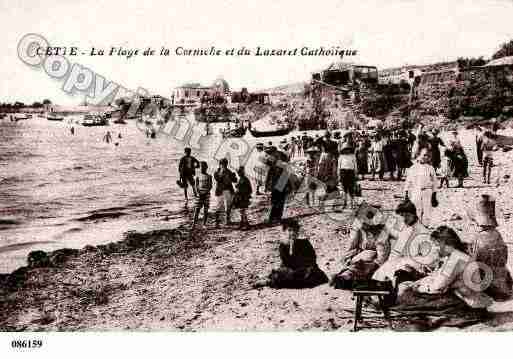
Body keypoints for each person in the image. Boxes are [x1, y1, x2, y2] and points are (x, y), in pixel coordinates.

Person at [372, 199, 439, 288]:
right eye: (402, 215)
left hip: (414, 268)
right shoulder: (405, 230)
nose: (404, 219)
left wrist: (414, 264)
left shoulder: (423, 233)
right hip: (399, 263)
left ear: (414, 214)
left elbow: (428, 258)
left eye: (407, 215)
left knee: (397, 274)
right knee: (381, 273)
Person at [254, 218, 328, 289]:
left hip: (305, 271)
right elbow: (287, 263)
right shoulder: (283, 246)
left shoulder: (305, 243)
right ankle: (268, 281)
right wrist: (291, 248)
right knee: (285, 275)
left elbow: (312, 259)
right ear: (284, 232)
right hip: (291, 271)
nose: (292, 233)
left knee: (314, 276)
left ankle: (271, 281)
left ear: (297, 232)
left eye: (295, 231)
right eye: (289, 230)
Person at [468, 194, 513, 301]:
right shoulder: (498, 235)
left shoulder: (478, 238)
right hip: (503, 284)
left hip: (488, 286)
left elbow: (474, 262)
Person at [330, 211, 386, 289]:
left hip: (372, 258)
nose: (362, 224)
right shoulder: (360, 230)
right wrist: (348, 257)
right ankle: (345, 275)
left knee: (366, 256)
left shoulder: (381, 234)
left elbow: (382, 255)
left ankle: (348, 276)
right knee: (350, 260)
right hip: (360, 255)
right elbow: (352, 246)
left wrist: (374, 264)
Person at [404, 147, 438, 228]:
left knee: (427, 210)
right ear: (418, 155)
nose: (426, 157)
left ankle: (425, 226)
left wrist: (434, 195)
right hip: (416, 191)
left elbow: (435, 182)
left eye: (427, 155)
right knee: (416, 209)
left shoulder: (430, 168)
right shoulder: (413, 168)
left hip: (427, 191)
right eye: (424, 155)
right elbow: (408, 181)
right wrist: (406, 193)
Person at [213, 158, 237, 226]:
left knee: (228, 206)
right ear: (220, 164)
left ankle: (227, 220)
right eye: (223, 164)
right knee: (219, 206)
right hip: (220, 191)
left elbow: (234, 180)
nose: (224, 166)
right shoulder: (217, 172)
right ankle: (217, 222)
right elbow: (217, 179)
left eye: (225, 164)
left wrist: (233, 176)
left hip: (227, 190)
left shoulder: (229, 171)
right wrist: (222, 172)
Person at [192, 161, 212, 228]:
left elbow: (210, 186)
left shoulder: (209, 176)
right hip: (199, 195)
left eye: (203, 167)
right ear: (199, 168)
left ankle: (204, 224)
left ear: (206, 167)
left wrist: (205, 193)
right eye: (201, 167)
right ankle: (194, 224)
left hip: (206, 195)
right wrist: (198, 193)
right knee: (197, 209)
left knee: (205, 210)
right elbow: (196, 186)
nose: (202, 168)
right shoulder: (197, 176)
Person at [338, 142, 358, 209]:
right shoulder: (341, 156)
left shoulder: (353, 156)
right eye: (346, 149)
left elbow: (355, 165)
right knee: (344, 189)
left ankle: (352, 204)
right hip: (343, 172)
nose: (347, 150)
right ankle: (344, 203)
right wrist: (338, 175)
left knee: (351, 188)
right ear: (343, 150)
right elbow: (339, 166)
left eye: (348, 149)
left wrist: (356, 174)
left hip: (351, 172)